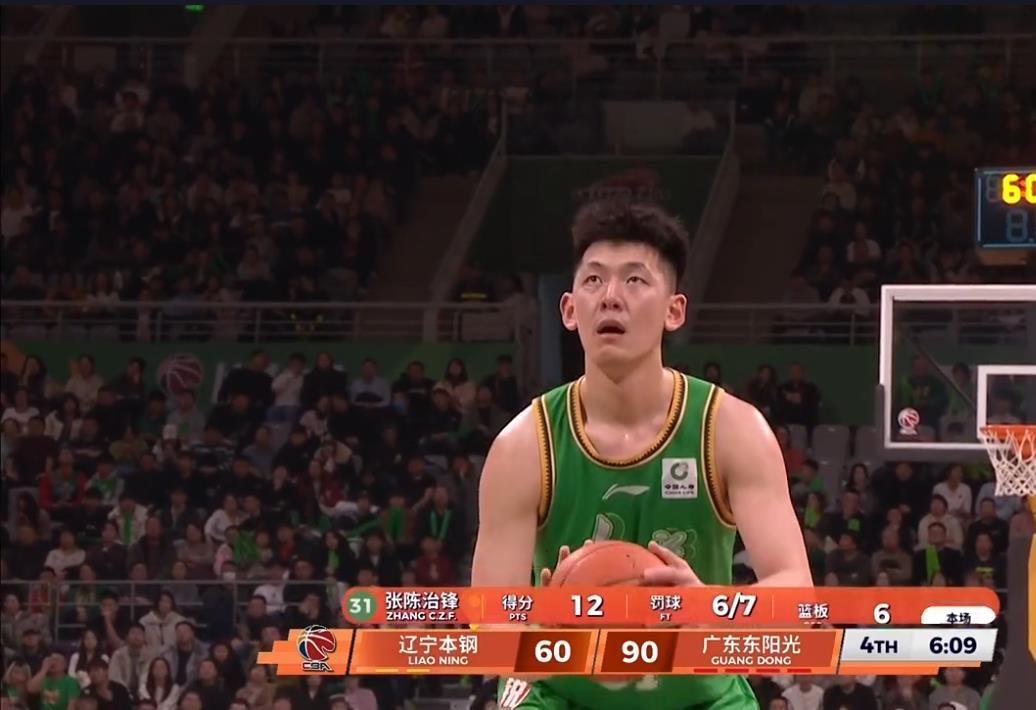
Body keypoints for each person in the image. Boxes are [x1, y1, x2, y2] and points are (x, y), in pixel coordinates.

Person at [471, 200, 811, 710]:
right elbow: (488, 620)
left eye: (634, 280)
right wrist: (542, 631)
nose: (611, 297)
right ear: (569, 310)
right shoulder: (523, 445)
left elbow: (797, 592)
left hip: (699, 696)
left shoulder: (731, 430)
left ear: (675, 310)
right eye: (594, 280)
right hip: (560, 696)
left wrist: (713, 610)